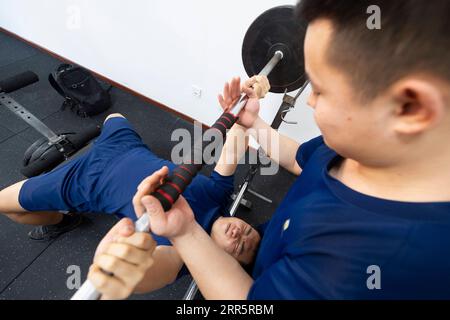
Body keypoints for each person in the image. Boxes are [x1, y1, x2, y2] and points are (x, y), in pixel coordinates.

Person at [96, 0, 450, 300]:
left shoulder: (347, 269)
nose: (310, 100)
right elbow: (300, 159)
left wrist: (186, 233)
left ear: (409, 107)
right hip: (275, 245)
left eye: (322, 90)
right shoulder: (364, 149)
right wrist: (254, 125)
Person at [0, 77, 270, 297]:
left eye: (239, 248)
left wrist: (120, 270)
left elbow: (155, 269)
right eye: (247, 232)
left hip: (84, 182)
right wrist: (251, 97)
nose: (239, 235)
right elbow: (234, 143)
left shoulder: (182, 249)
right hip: (123, 146)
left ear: (223, 260)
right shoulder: (219, 195)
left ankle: (64, 218)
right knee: (114, 115)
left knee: (6, 205)